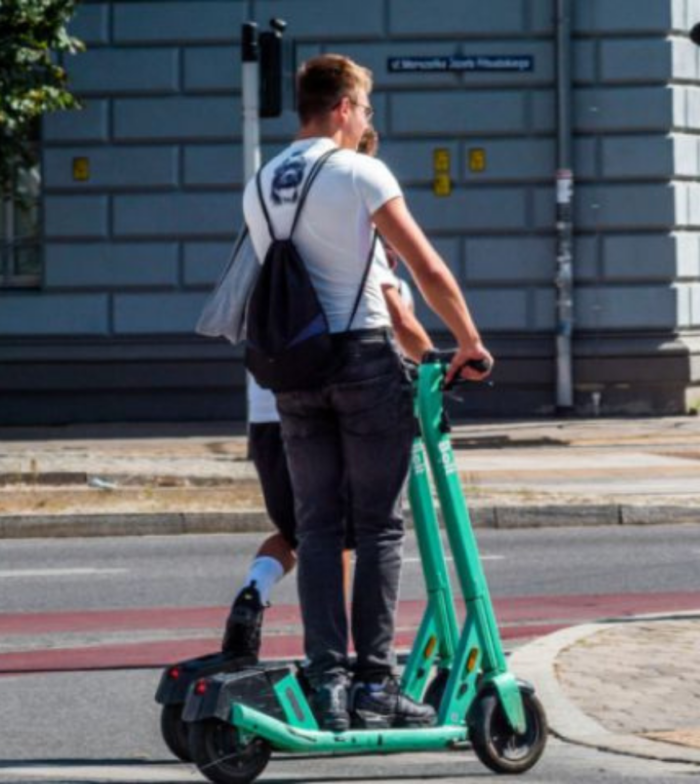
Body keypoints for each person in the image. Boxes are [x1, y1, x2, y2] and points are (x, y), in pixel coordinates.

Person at [242, 53, 492, 732]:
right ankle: (375, 686)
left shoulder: (262, 180)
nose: (366, 122)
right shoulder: (359, 170)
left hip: (295, 372)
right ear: (346, 106)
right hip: (361, 358)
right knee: (379, 527)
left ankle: (327, 684)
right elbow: (422, 264)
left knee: (319, 527)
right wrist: (468, 340)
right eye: (366, 111)